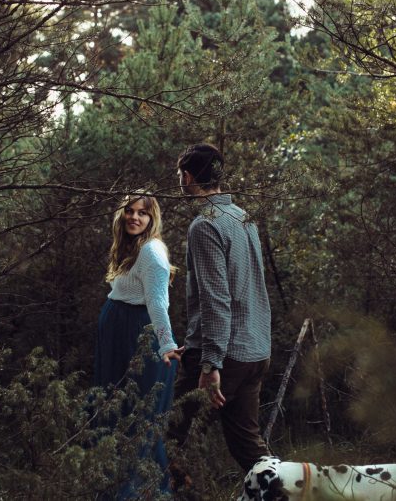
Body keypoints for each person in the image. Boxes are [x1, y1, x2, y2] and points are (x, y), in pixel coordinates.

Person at [169, 143, 272, 477]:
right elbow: (248, 288)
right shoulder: (243, 217)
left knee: (169, 436)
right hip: (254, 350)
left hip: (225, 358)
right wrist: (197, 342)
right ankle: (289, 492)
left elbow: (217, 299)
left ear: (187, 177)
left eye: (179, 175)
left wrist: (210, 360)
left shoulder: (205, 224)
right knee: (249, 447)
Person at [93, 193, 183, 499]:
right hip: (118, 332)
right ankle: (116, 485)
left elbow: (158, 304)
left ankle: (141, 492)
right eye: (129, 211)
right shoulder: (129, 247)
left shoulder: (152, 252)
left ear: (151, 218)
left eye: (142, 213)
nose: (134, 217)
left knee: (138, 414)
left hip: (138, 334)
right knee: (115, 407)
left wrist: (166, 344)